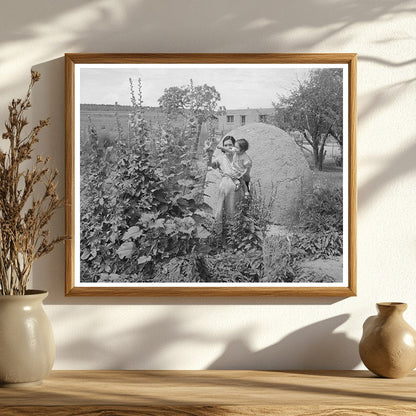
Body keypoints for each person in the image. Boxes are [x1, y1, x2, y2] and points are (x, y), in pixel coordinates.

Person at [206, 135, 252, 229]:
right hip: (224, 189)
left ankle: (236, 234)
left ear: (235, 146)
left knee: (235, 212)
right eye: (225, 145)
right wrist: (209, 155)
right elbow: (211, 164)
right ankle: (221, 237)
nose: (228, 147)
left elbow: (246, 175)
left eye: (230, 145)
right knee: (221, 212)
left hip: (237, 189)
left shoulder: (239, 157)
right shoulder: (220, 158)